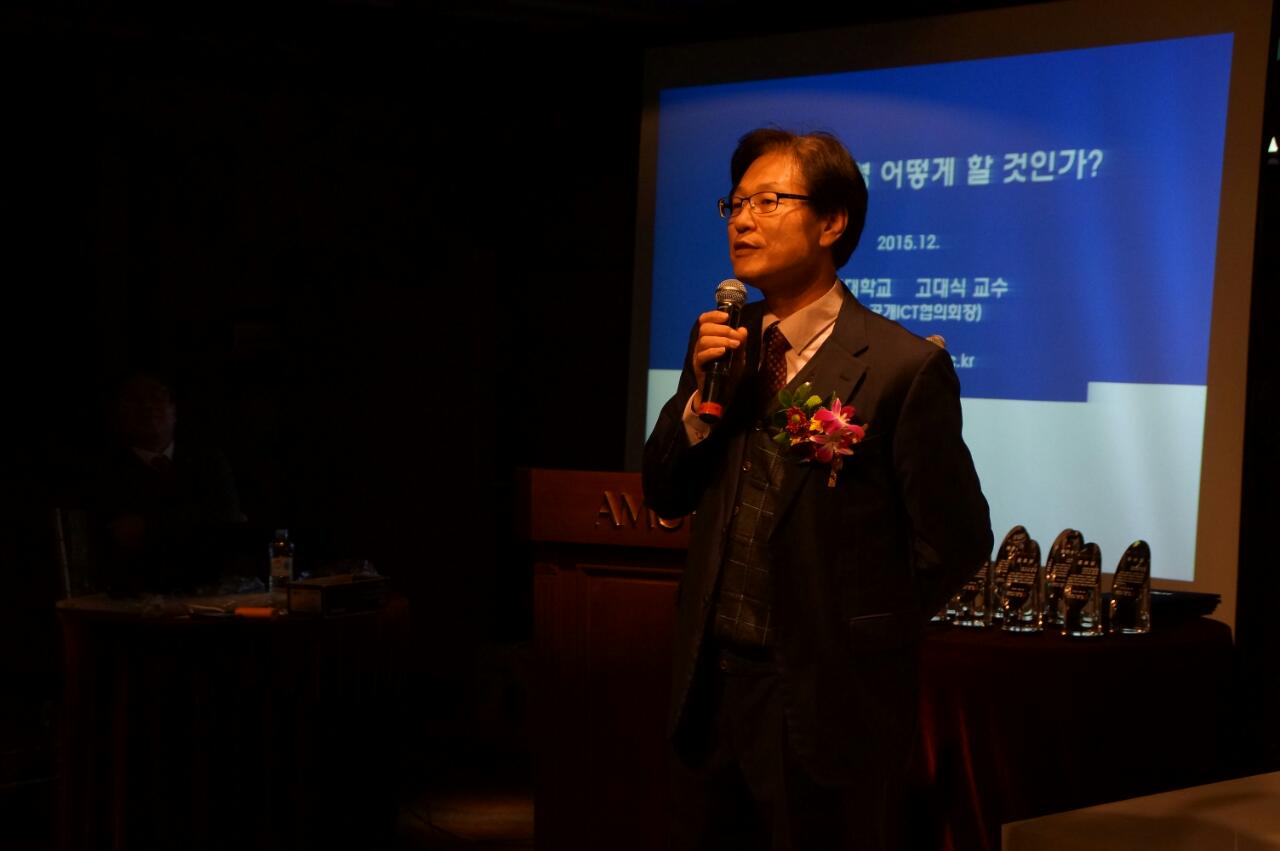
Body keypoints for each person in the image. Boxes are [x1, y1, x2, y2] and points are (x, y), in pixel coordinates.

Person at [643, 128, 993, 850]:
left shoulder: (901, 367)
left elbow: (956, 540)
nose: (742, 220)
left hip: (829, 702)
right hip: (711, 691)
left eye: (768, 201)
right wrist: (698, 403)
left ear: (832, 222)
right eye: (736, 204)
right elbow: (666, 492)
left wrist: (861, 627)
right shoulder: (723, 343)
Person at [91, 369, 245, 593]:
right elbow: (115, 537)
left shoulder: (207, 461)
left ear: (174, 410)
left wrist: (149, 526)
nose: (147, 407)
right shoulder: (107, 472)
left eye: (156, 397)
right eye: (135, 400)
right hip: (138, 593)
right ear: (120, 412)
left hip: (211, 588)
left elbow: (227, 522)